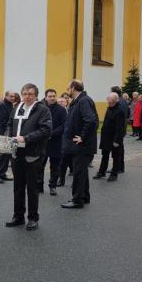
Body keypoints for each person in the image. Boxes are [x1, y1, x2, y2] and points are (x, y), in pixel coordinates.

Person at [4, 83, 52, 230]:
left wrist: (26, 138)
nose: (27, 96)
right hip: (16, 154)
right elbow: (9, 125)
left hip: (33, 154)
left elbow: (46, 130)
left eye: (30, 94)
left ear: (36, 95)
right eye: (25, 93)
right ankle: (18, 216)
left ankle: (33, 218)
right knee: (17, 187)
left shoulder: (42, 110)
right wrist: (8, 137)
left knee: (32, 188)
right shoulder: (16, 108)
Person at [60, 79, 98, 209]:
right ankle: (84, 196)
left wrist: (82, 136)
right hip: (79, 146)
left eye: (68, 88)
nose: (67, 91)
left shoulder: (84, 101)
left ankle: (77, 200)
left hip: (82, 146)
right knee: (82, 172)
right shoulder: (79, 101)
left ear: (73, 88)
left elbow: (91, 121)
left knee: (78, 173)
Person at [94, 93, 126, 182]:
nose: (108, 102)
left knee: (115, 156)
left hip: (115, 138)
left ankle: (114, 174)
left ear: (115, 101)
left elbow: (120, 128)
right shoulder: (109, 108)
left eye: (110, 101)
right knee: (105, 155)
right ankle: (102, 172)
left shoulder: (119, 111)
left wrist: (117, 140)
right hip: (106, 137)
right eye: (108, 101)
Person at [41, 89, 67, 196]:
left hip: (56, 142)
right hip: (42, 142)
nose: (52, 98)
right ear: (46, 97)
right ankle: (39, 186)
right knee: (39, 166)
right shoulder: (41, 109)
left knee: (55, 167)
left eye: (53, 96)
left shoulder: (61, 110)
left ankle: (53, 186)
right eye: (50, 96)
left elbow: (63, 125)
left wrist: (51, 134)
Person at [0, 91, 14, 183]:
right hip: (4, 133)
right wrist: (1, 135)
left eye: (13, 96)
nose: (13, 98)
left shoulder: (9, 105)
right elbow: (0, 121)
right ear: (6, 96)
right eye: (11, 96)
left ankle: (2, 173)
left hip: (8, 133)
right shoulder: (3, 105)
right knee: (3, 155)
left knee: (7, 155)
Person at [111, 86, 130, 174]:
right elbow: (128, 114)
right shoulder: (124, 102)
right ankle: (120, 167)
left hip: (118, 129)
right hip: (122, 128)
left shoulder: (119, 102)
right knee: (120, 148)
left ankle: (118, 167)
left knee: (118, 149)